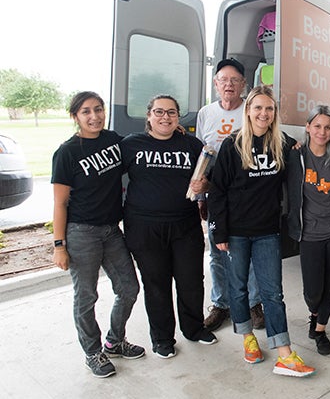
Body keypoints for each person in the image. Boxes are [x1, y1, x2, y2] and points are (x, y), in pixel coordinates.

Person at [208, 85, 315, 377]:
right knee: (238, 289)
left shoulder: (281, 142)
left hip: (268, 231)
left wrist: (299, 146)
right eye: (258, 108)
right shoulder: (232, 145)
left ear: (274, 113)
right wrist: (219, 233)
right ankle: (248, 339)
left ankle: (284, 353)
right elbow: (217, 192)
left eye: (269, 108)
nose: (263, 113)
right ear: (248, 111)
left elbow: (300, 150)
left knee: (273, 293)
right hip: (236, 233)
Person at [51, 91, 145, 378]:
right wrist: (59, 245)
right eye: (86, 112)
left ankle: (115, 341)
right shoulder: (67, 152)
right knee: (86, 297)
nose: (94, 116)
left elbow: (141, 143)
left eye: (98, 109)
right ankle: (93, 352)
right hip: (81, 233)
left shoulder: (113, 141)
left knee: (129, 288)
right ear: (75, 117)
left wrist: (171, 129)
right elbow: (59, 203)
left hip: (111, 230)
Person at [121, 95, 217, 359]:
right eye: (160, 112)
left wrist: (204, 187)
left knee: (191, 281)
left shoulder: (191, 145)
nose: (165, 117)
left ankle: (194, 328)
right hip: (144, 227)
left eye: (171, 112)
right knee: (156, 284)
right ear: (149, 115)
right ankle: (162, 338)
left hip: (184, 225)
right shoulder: (130, 145)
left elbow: (209, 180)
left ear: (178, 117)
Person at [196, 58, 265, 332]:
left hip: (247, 195)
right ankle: (220, 304)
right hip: (216, 195)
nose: (229, 85)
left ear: (243, 85)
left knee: (248, 252)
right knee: (217, 252)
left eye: (234, 80)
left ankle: (254, 304)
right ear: (215, 84)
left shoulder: (251, 111)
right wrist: (201, 198)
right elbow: (201, 156)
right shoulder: (205, 114)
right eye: (223, 80)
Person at [288, 105, 330, 355]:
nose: (322, 132)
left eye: (327, 127)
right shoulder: (296, 155)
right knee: (313, 290)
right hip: (309, 233)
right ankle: (314, 312)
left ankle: (321, 329)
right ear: (307, 127)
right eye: (317, 126)